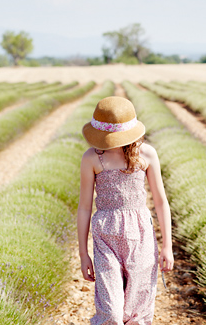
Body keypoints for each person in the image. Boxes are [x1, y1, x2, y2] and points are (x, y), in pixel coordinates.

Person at [78, 96, 174, 325]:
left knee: (136, 313)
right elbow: (84, 207)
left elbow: (161, 202)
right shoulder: (92, 157)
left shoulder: (147, 154)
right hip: (105, 236)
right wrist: (83, 254)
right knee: (110, 313)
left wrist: (167, 246)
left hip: (140, 235)